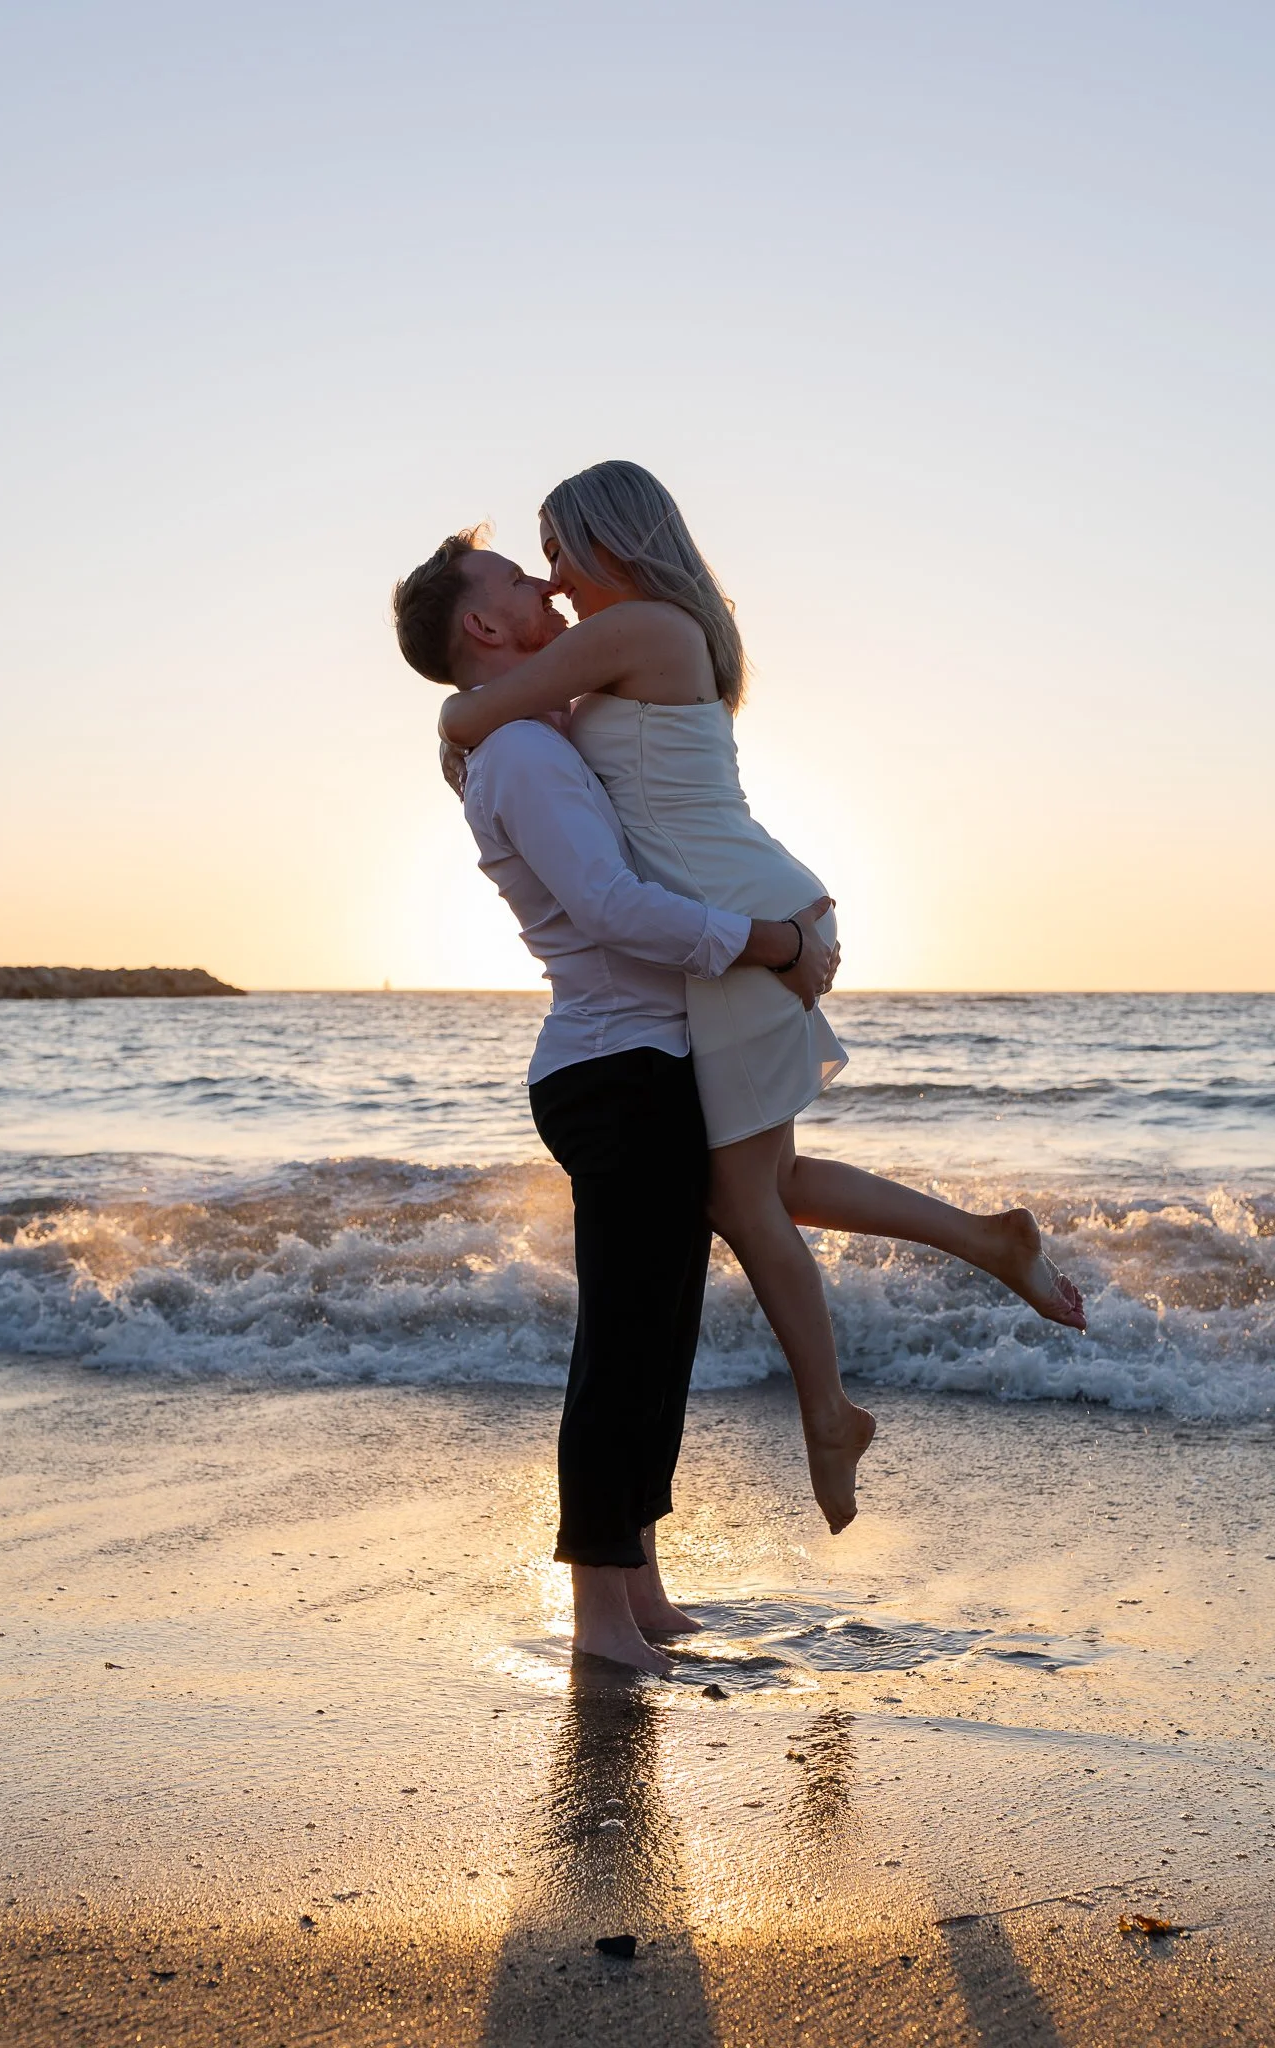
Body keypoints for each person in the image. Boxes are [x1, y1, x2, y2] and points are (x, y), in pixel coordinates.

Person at [441, 462, 1088, 1535]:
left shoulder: (637, 627)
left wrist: (450, 723)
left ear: (613, 540)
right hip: (745, 913)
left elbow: (476, 709)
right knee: (769, 1179)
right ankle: (987, 1241)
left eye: (556, 551)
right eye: (535, 563)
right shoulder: (648, 636)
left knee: (739, 1198)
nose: (551, 581)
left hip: (746, 926)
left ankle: (829, 1413)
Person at [392, 531, 834, 1677]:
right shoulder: (522, 754)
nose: (543, 585)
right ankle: (599, 1613)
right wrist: (768, 940)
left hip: (642, 1060)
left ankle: (639, 1586)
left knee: (659, 1336)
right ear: (483, 625)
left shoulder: (531, 735)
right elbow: (608, 904)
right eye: (515, 580)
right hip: (612, 1067)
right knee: (625, 1345)